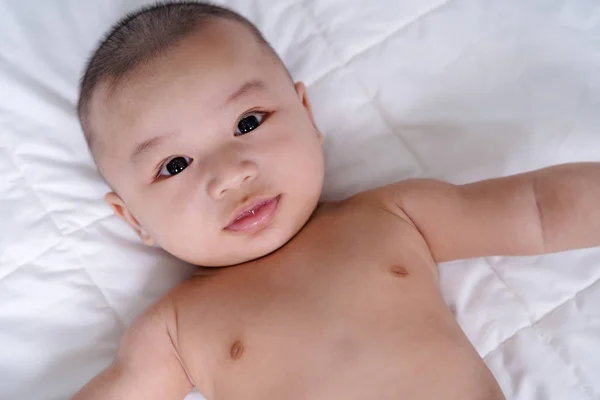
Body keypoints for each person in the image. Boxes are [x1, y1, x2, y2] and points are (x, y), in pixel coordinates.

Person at [73, 2, 600, 399]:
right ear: (133, 217)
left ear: (307, 113)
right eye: (174, 165)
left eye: (247, 123)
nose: (230, 176)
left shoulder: (391, 216)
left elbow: (535, 210)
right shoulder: (176, 326)